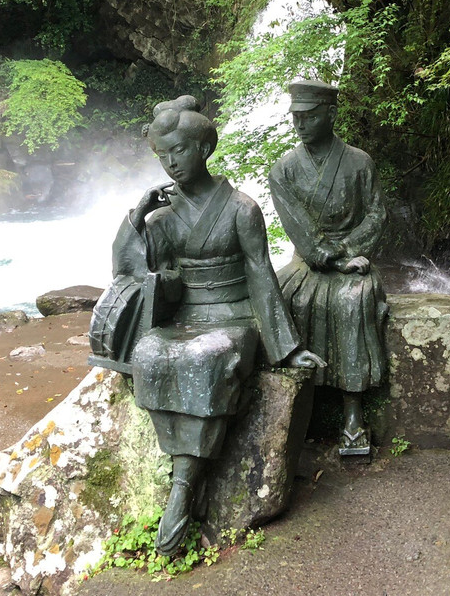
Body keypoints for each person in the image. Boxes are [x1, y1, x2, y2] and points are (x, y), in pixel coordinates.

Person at [108, 96, 322, 555]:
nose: (171, 164)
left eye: (179, 152)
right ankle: (186, 468)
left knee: (205, 358)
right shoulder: (163, 218)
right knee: (149, 354)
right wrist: (137, 217)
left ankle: (185, 484)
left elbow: (262, 276)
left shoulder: (241, 209)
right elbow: (127, 272)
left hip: (233, 316)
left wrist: (285, 348)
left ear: (204, 148)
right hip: (185, 316)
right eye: (162, 156)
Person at [268, 80, 389, 456]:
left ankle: (353, 414)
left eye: (309, 116)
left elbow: (377, 213)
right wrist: (331, 257)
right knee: (277, 300)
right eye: (295, 117)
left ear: (331, 114)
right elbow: (298, 227)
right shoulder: (284, 170)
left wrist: (351, 251)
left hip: (356, 262)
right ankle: (294, 405)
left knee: (352, 302)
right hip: (310, 262)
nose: (300, 124)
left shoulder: (358, 161)